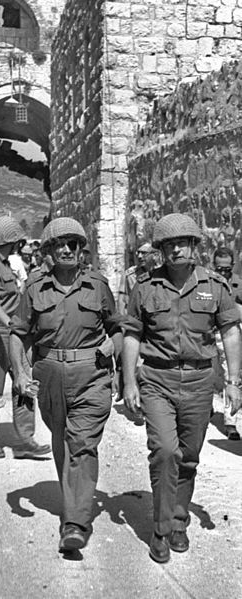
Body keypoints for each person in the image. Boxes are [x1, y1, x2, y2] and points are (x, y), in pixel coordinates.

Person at [122, 213, 242, 564]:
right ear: (161, 251)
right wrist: (129, 382)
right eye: (169, 245)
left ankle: (178, 521)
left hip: (200, 382)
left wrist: (234, 383)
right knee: (164, 452)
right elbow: (132, 334)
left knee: (188, 458)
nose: (176, 250)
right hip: (157, 379)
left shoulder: (216, 286)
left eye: (183, 243)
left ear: (195, 246)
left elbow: (231, 333)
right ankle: (160, 530)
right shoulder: (145, 288)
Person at [9, 217, 122, 552]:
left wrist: (112, 344)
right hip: (48, 373)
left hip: (91, 375)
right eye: (60, 245)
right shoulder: (33, 288)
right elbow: (18, 333)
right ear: (49, 251)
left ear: (81, 250)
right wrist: (19, 373)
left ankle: (75, 522)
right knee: (61, 439)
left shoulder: (98, 284)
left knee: (81, 443)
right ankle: (74, 498)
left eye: (73, 244)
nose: (67, 250)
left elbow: (116, 326)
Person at [0, 215, 50, 459]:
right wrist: (9, 323)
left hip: (14, 333)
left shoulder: (4, 262)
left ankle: (25, 441)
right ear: (11, 241)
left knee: (24, 382)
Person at [212, 247, 242, 440]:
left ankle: (231, 421)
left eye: (226, 269)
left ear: (232, 266)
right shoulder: (204, 282)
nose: (222, 273)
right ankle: (205, 406)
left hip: (228, 336)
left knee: (230, 375)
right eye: (219, 269)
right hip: (205, 335)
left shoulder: (239, 284)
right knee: (209, 374)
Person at [118, 242, 159, 314]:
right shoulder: (130, 275)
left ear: (154, 255)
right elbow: (123, 299)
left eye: (144, 253)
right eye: (138, 253)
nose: (140, 256)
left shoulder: (163, 273)